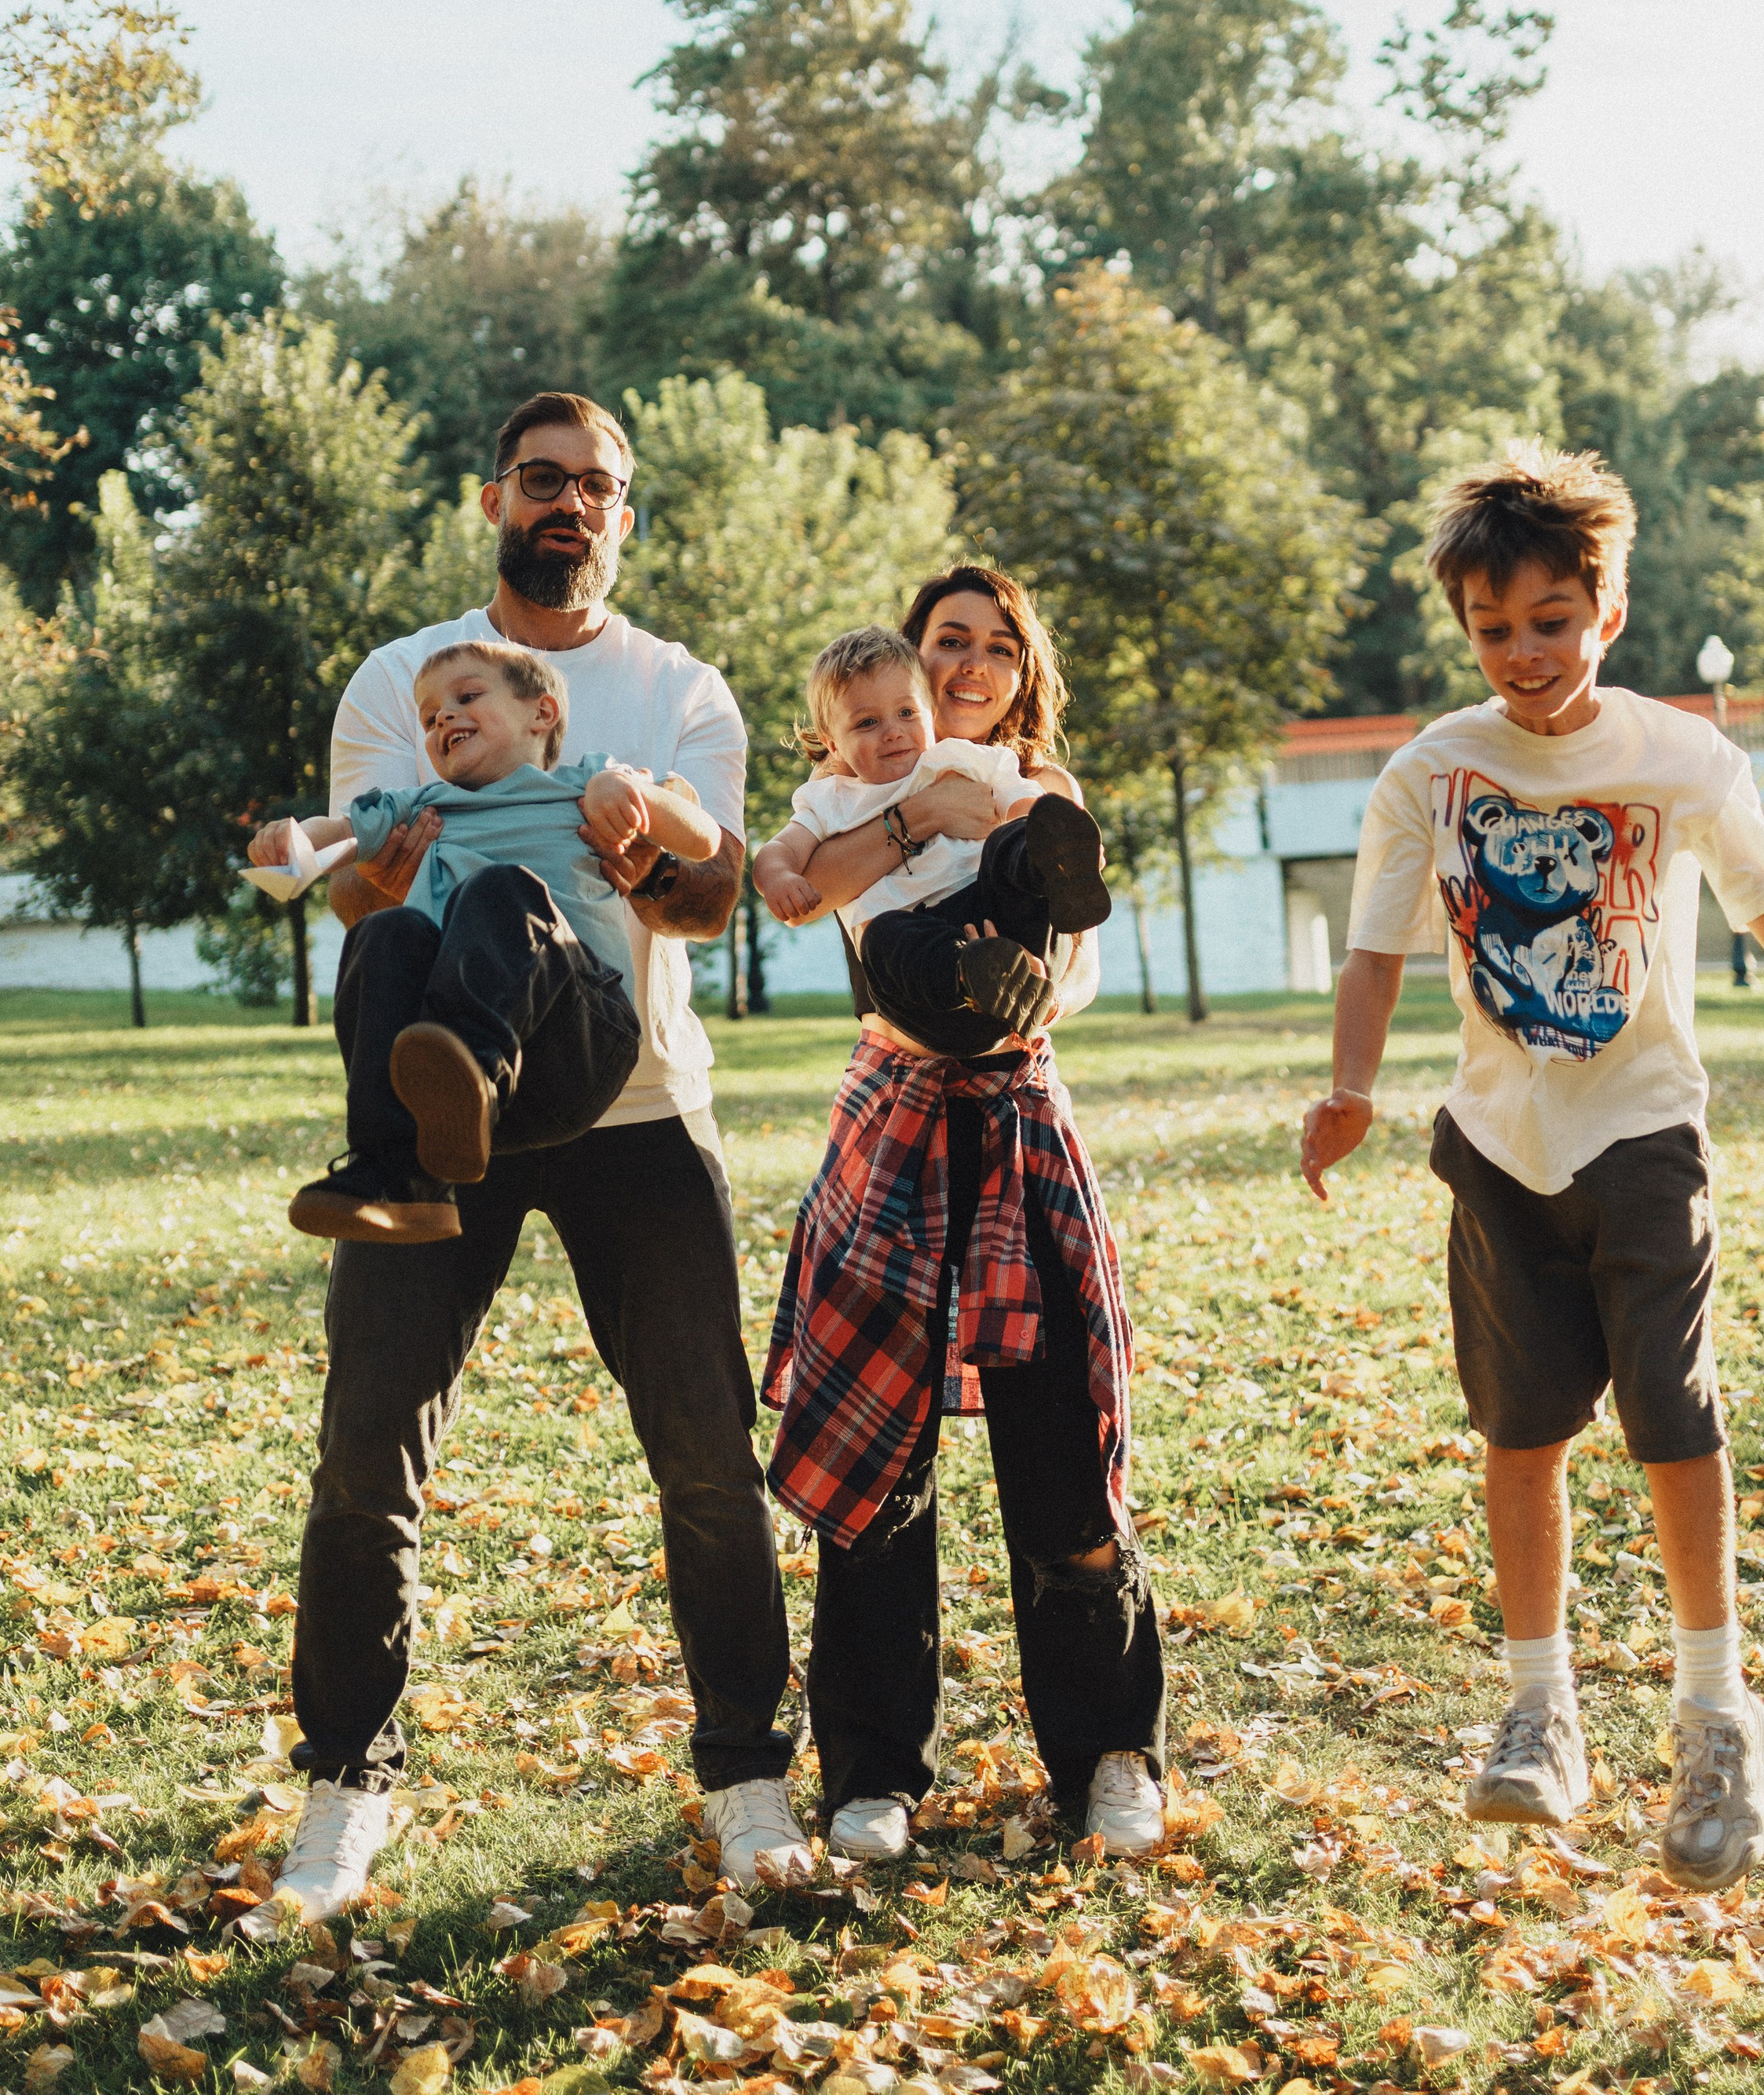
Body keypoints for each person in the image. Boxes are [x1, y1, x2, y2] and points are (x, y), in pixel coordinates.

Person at [247, 392, 810, 1936]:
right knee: (367, 1452)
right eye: (542, 480)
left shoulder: (681, 690)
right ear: (492, 497)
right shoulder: (401, 680)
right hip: (449, 1126)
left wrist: (641, 852)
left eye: (598, 486)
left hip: (629, 1101)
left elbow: (705, 906)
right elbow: (365, 897)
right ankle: (343, 1793)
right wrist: (362, 869)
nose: (569, 503)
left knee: (707, 1455)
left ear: (625, 516)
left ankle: (746, 1779)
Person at [1299, 442, 1764, 1892]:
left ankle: (1713, 1712)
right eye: (1494, 630)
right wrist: (1350, 1091)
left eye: (1550, 623)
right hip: (1501, 1150)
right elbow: (1376, 952)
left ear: (1605, 616)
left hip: (1643, 1138)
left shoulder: (1678, 756)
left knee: (1672, 1421)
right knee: (1522, 1433)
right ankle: (1540, 1711)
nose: (1522, 654)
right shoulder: (1432, 774)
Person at [761, 566, 1165, 1866]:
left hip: (1013, 1118)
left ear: (1023, 671)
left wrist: (973, 839)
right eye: (946, 642)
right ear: (903, 662)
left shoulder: (1041, 801)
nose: (969, 665)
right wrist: (906, 818)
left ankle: (1109, 1754)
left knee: (1060, 1459)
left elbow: (1067, 984)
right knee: (878, 1465)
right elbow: (801, 888)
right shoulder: (862, 785)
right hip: (893, 1121)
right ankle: (875, 1770)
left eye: (997, 646)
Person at [252, 639, 718, 1241]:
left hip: (579, 1045)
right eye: (428, 717)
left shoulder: (585, 782)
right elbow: (337, 835)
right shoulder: (421, 807)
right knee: (384, 931)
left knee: (500, 890)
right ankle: (398, 1173)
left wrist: (629, 800)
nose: (442, 716)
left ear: (541, 714)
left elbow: (703, 840)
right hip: (477, 1103)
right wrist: (292, 842)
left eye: (466, 696)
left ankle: (467, 1074)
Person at [751, 622, 1112, 1039]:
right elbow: (779, 851)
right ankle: (972, 974)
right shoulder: (830, 798)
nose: (893, 731)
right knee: (883, 937)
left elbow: (1020, 801)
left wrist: (1048, 845)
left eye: (907, 713)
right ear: (833, 743)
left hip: (1000, 916)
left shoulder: (961, 759)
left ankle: (1051, 875)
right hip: (930, 968)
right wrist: (778, 877)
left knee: (1015, 837)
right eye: (867, 723)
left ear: (929, 711)